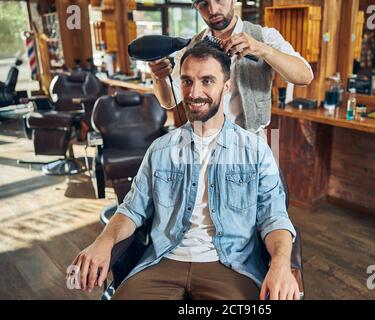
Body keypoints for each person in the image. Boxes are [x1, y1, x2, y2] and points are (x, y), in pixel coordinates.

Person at [68, 43, 299, 300]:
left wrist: (281, 264)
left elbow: (273, 217)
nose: (194, 92)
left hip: (231, 265)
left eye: (207, 81)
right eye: (187, 81)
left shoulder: (254, 149)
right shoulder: (161, 149)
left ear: (226, 87)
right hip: (164, 259)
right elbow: (132, 210)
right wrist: (103, 241)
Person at [148, 0, 313, 133]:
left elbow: (304, 76)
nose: (213, 9)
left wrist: (263, 49)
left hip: (250, 141)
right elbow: (169, 101)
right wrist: (159, 78)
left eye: (218, 0)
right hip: (203, 140)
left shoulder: (264, 36)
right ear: (196, 6)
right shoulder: (189, 47)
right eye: (204, 4)